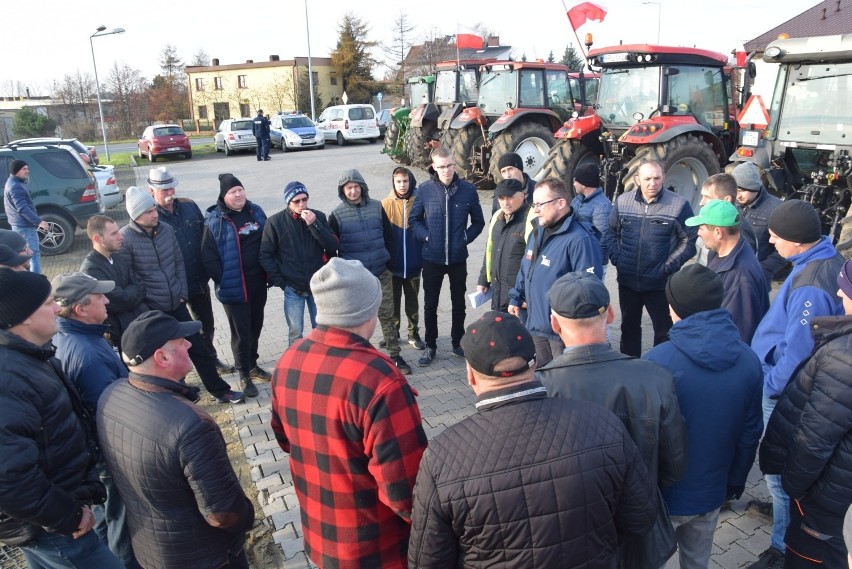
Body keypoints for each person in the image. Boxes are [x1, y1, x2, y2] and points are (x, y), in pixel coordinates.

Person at [408, 311, 657, 568]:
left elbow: (427, 561)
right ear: (535, 362)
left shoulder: (442, 457)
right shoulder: (603, 424)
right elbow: (641, 518)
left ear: (470, 374)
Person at [270, 258, 428, 568]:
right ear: (368, 310)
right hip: (375, 548)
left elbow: (286, 440)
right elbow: (405, 489)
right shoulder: (380, 379)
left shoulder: (288, 359)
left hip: (320, 536)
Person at [536, 271, 688, 568]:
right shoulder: (654, 377)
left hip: (575, 535)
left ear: (554, 324)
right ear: (611, 314)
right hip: (641, 532)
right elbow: (674, 463)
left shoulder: (541, 388)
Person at [97, 310, 255, 569]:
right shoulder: (191, 426)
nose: (190, 344)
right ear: (163, 357)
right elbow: (223, 513)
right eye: (182, 341)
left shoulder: (111, 394)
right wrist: (247, 516)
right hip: (205, 557)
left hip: (151, 551)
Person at [643, 264, 764, 569]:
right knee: (697, 561)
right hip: (712, 492)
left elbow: (644, 436)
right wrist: (734, 482)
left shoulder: (657, 362)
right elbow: (750, 433)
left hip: (663, 498)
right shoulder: (749, 360)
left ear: (674, 307)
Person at [0, 269, 122, 569]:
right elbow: (9, 479)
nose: (58, 308)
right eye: (47, 303)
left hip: (46, 517)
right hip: (51, 526)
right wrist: (67, 515)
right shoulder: (8, 379)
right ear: (23, 316)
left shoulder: (30, 356)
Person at [748, 199, 845, 569]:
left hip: (785, 391)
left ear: (798, 241)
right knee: (782, 476)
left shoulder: (810, 286)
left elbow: (798, 352)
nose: (771, 244)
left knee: (780, 475)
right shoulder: (820, 259)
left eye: (775, 237)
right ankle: (781, 518)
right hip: (790, 386)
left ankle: (781, 550)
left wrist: (771, 387)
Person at [117, 186, 243, 404]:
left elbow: (178, 262)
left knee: (198, 347)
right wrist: (146, 302)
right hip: (151, 309)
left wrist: (181, 292)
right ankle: (178, 396)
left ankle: (220, 390)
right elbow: (130, 277)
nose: (155, 214)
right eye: (148, 212)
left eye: (154, 209)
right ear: (136, 216)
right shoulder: (125, 239)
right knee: (164, 357)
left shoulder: (165, 229)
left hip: (176, 301)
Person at [51, 272, 140, 569]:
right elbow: (110, 414)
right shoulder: (87, 355)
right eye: (99, 296)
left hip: (94, 455)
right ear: (81, 308)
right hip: (110, 454)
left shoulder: (72, 336)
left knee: (107, 519)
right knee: (123, 524)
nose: (106, 299)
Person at [604, 159, 697, 356]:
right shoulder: (623, 201)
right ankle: (630, 370)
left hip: (659, 284)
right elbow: (611, 232)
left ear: (663, 177)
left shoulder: (678, 205)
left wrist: (668, 267)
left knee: (663, 331)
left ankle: (660, 369)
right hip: (627, 282)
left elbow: (689, 240)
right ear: (637, 179)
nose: (652, 183)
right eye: (647, 179)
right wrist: (618, 260)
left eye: (656, 178)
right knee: (629, 328)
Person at [508, 177, 603, 367]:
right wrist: (516, 297)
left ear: (561, 203)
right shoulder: (538, 230)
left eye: (540, 204)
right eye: (533, 204)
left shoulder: (580, 239)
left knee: (564, 381)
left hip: (562, 333)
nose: (535, 210)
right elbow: (527, 266)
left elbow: (589, 290)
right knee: (543, 379)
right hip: (536, 324)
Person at [147, 166, 233, 374]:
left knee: (207, 325)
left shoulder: (189, 206)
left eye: (171, 188)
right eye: (164, 190)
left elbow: (206, 237)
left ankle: (211, 359)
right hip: (175, 287)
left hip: (199, 279)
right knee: (179, 333)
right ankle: (182, 370)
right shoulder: (150, 217)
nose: (170, 194)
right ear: (151, 191)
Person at [329, 168, 413, 374]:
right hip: (356, 277)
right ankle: (360, 358)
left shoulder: (377, 207)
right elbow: (334, 248)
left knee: (387, 314)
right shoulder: (336, 215)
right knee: (358, 319)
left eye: (356, 186)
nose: (353, 191)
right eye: (348, 188)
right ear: (342, 190)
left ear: (363, 187)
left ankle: (395, 355)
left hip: (381, 271)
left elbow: (389, 237)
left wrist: (390, 263)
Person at [410, 147, 485, 366]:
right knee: (430, 304)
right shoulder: (424, 190)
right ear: (433, 166)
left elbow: (479, 222)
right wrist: (426, 237)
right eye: (441, 166)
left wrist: (464, 238)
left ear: (455, 164)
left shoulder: (468, 190)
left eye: (450, 165)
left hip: (457, 257)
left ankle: (457, 342)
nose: (446, 170)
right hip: (431, 257)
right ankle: (431, 345)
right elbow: (414, 220)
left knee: (458, 303)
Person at [202, 173, 270, 398]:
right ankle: (243, 374)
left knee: (256, 325)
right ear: (224, 195)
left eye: (240, 189)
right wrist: (223, 277)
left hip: (258, 282)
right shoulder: (215, 221)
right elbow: (208, 257)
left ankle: (252, 364)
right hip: (234, 287)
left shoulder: (256, 211)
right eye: (233, 191)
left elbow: (270, 239)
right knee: (241, 332)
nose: (238, 194)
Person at [260, 181, 337, 346]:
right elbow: (265, 255)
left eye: (305, 199)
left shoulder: (319, 217)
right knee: (295, 333)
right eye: (297, 201)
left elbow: (332, 246)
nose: (302, 204)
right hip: (292, 288)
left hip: (318, 286)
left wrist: (314, 224)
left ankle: (324, 364)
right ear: (288, 202)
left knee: (322, 330)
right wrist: (282, 283)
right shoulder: (275, 222)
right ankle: (294, 369)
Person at [686, 199, 769, 343]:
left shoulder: (740, 277)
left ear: (718, 232)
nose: (698, 232)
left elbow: (738, 334)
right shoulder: (722, 253)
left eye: (701, 227)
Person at [80, 215, 148, 354]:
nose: (120, 236)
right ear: (97, 239)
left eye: (118, 231)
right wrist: (131, 292)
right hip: (120, 334)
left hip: (139, 325)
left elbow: (141, 285)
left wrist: (129, 293)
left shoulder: (118, 257)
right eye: (114, 233)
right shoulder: (91, 269)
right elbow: (119, 299)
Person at [380, 166, 426, 349]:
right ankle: (393, 333)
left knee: (412, 302)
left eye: (405, 181)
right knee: (393, 302)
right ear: (393, 182)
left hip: (415, 263)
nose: (402, 185)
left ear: (411, 181)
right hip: (393, 264)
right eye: (398, 181)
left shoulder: (419, 201)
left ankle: (413, 333)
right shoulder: (385, 204)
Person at [477, 178, 534, 312]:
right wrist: (484, 279)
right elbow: (490, 250)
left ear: (521, 196)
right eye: (501, 198)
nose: (505, 203)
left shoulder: (531, 219)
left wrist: (526, 295)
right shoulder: (498, 216)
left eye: (509, 198)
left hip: (519, 298)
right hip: (498, 291)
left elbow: (534, 262)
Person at [732, 162, 787, 285]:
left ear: (754, 187)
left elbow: (784, 250)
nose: (737, 195)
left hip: (757, 279)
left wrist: (762, 270)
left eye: (741, 190)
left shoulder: (776, 209)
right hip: (731, 275)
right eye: (735, 190)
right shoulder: (732, 204)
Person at [694, 172, 757, 265]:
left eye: (707, 197)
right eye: (702, 196)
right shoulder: (713, 220)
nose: (701, 202)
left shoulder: (738, 229)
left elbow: (739, 269)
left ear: (726, 200)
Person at [4, 159, 48, 273]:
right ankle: (37, 280)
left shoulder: (13, 182)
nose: (27, 171)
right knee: (33, 254)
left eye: (27, 168)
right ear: (16, 170)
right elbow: (23, 208)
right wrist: (39, 221)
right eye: (24, 169)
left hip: (20, 224)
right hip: (24, 226)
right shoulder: (16, 186)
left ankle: (29, 278)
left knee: (26, 254)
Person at [571, 162, 612, 267]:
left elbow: (601, 239)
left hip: (591, 262)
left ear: (584, 183)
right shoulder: (577, 200)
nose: (574, 184)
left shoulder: (602, 206)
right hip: (577, 258)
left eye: (576, 180)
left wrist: (593, 263)